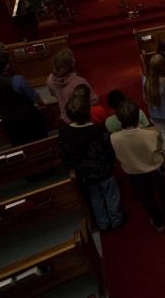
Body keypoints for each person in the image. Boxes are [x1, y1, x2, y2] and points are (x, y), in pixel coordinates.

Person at [58, 94, 124, 232]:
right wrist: (110, 163)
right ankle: (116, 220)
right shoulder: (98, 129)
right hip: (104, 170)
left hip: (85, 173)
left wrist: (72, 168)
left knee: (95, 197)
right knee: (111, 195)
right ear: (88, 111)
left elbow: (64, 155)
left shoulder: (65, 132)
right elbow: (109, 149)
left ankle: (103, 224)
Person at [112, 100, 165, 232]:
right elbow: (159, 147)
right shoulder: (152, 133)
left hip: (134, 174)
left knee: (146, 199)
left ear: (119, 120)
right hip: (155, 170)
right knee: (164, 192)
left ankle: (158, 223)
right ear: (138, 116)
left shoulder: (114, 138)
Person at [0, 50, 47, 146]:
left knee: (19, 145)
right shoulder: (17, 80)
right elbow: (36, 98)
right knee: (41, 143)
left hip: (7, 121)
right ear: (7, 65)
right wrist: (42, 105)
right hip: (29, 118)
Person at [47, 47, 98, 124]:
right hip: (81, 120)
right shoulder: (79, 82)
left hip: (65, 119)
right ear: (71, 63)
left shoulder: (49, 79)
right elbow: (94, 100)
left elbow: (53, 94)